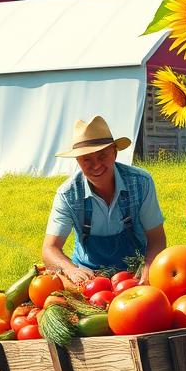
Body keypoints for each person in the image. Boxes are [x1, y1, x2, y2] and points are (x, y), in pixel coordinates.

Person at [42, 116, 167, 285]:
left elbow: (157, 238)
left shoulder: (141, 183)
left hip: (135, 274)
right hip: (88, 277)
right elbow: (50, 249)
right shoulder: (68, 194)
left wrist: (149, 268)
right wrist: (71, 270)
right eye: (87, 159)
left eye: (102, 156)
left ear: (114, 152)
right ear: (78, 161)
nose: (96, 165)